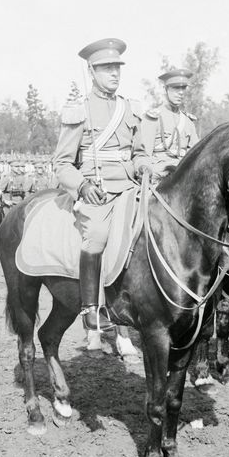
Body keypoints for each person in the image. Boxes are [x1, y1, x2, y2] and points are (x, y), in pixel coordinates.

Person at [53, 38, 153, 333]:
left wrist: (145, 165)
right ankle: (90, 309)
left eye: (117, 68)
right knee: (95, 235)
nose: (114, 74)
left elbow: (139, 153)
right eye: (106, 68)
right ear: (91, 71)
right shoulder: (79, 112)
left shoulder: (131, 109)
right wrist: (82, 186)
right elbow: (61, 163)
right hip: (99, 190)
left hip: (132, 186)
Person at [142, 68, 199, 184]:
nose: (181, 92)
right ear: (166, 89)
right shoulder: (153, 118)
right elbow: (144, 155)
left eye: (183, 88)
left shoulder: (188, 122)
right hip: (160, 177)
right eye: (176, 88)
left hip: (185, 175)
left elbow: (196, 154)